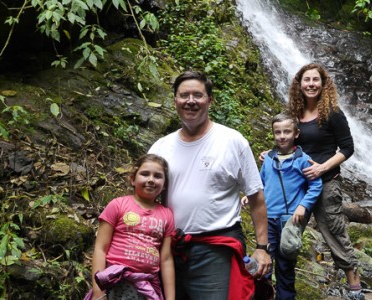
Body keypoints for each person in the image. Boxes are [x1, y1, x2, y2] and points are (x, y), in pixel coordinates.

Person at [148, 70, 271, 300]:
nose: (191, 101)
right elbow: (145, 202)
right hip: (169, 249)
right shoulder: (160, 147)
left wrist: (262, 248)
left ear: (210, 100)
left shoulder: (232, 141)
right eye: (184, 95)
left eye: (198, 95)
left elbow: (256, 198)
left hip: (216, 249)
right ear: (175, 100)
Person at [288, 63, 362, 300]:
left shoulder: (332, 113)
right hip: (298, 183)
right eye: (306, 80)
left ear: (323, 84)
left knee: (335, 232)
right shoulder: (294, 115)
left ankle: (355, 290)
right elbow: (287, 143)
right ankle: (284, 290)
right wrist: (270, 155)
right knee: (287, 232)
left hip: (327, 182)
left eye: (315, 80)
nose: (311, 84)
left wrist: (322, 168)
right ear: (299, 84)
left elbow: (348, 147)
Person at [87, 154, 176, 300]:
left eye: (158, 176)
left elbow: (166, 259)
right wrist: (98, 292)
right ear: (133, 179)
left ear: (165, 184)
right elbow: (100, 248)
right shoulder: (118, 205)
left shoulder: (166, 215)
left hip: (147, 287)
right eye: (145, 174)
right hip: (114, 281)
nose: (151, 180)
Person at [260, 112, 322, 300]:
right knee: (264, 263)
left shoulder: (303, 159)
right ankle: (265, 294)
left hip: (290, 221)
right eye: (277, 132)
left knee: (285, 265)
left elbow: (315, 185)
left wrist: (303, 206)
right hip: (268, 218)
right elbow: (261, 183)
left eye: (287, 131)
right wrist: (250, 196)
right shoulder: (269, 159)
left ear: (296, 133)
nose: (282, 136)